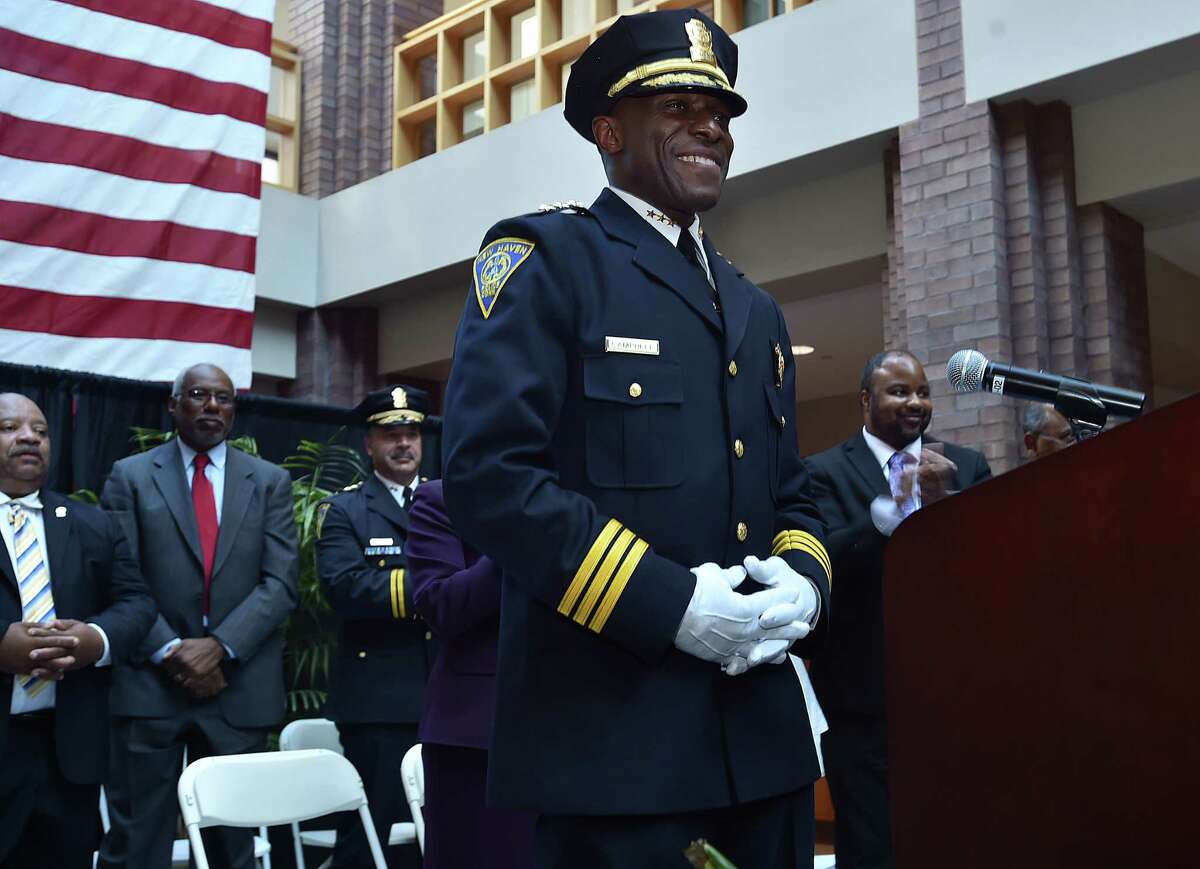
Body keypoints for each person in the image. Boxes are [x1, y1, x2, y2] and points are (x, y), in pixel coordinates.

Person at [440, 10, 833, 866]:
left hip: (763, 745)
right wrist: (674, 606)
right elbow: (490, 477)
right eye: (678, 106)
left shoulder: (756, 309)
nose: (709, 128)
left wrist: (804, 582)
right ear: (610, 131)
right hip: (616, 746)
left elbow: (791, 492)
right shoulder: (545, 257)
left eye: (721, 112)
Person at [97, 364, 298, 869]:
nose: (212, 407)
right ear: (173, 405)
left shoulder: (270, 481)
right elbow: (120, 578)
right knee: (138, 844)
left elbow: (279, 585)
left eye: (224, 399)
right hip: (149, 686)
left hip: (238, 686)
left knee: (234, 846)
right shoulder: (132, 476)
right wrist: (171, 650)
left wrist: (219, 649)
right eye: (199, 395)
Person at [805, 350, 992, 869]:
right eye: (900, 391)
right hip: (863, 705)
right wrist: (893, 513)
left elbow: (992, 565)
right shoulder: (821, 473)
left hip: (951, 701)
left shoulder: (965, 466)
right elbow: (825, 565)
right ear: (865, 400)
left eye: (923, 392)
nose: (916, 403)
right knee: (873, 850)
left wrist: (947, 503)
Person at [0, 394, 154, 869]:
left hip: (68, 753)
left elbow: (136, 601)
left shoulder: (91, 522)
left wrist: (96, 640)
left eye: (41, 432)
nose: (30, 437)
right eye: (10, 427)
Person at [315, 385, 434, 869]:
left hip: (444, 691)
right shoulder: (345, 509)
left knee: (441, 831)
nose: (404, 443)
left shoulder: (448, 501)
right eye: (391, 435)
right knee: (369, 839)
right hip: (378, 701)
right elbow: (346, 587)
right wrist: (437, 591)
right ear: (369, 444)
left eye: (411, 433)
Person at [405, 480, 536, 869]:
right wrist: (528, 538)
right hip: (480, 737)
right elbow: (440, 604)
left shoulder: (589, 493)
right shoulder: (445, 497)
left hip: (591, 720)